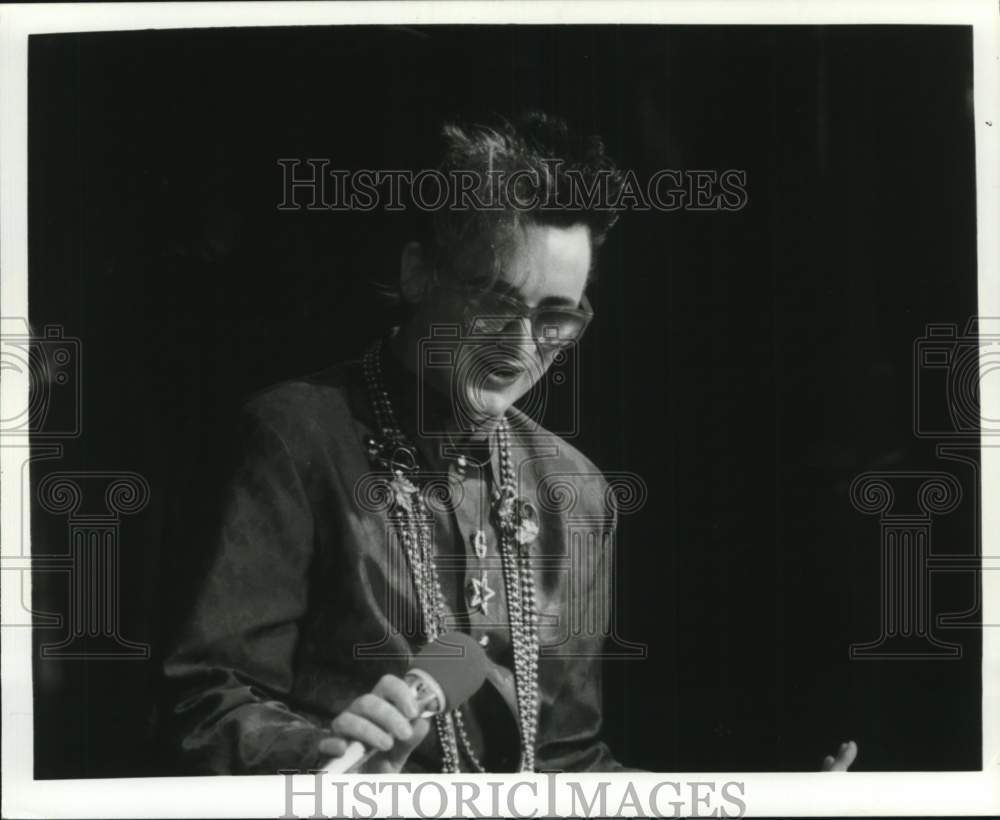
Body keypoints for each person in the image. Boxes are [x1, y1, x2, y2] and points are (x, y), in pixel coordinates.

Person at [160, 111, 857, 775]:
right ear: (416, 273)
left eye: (557, 316)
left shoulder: (578, 491)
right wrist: (321, 758)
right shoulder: (292, 436)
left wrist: (769, 805)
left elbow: (566, 764)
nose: (519, 348)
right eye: (496, 303)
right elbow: (203, 703)